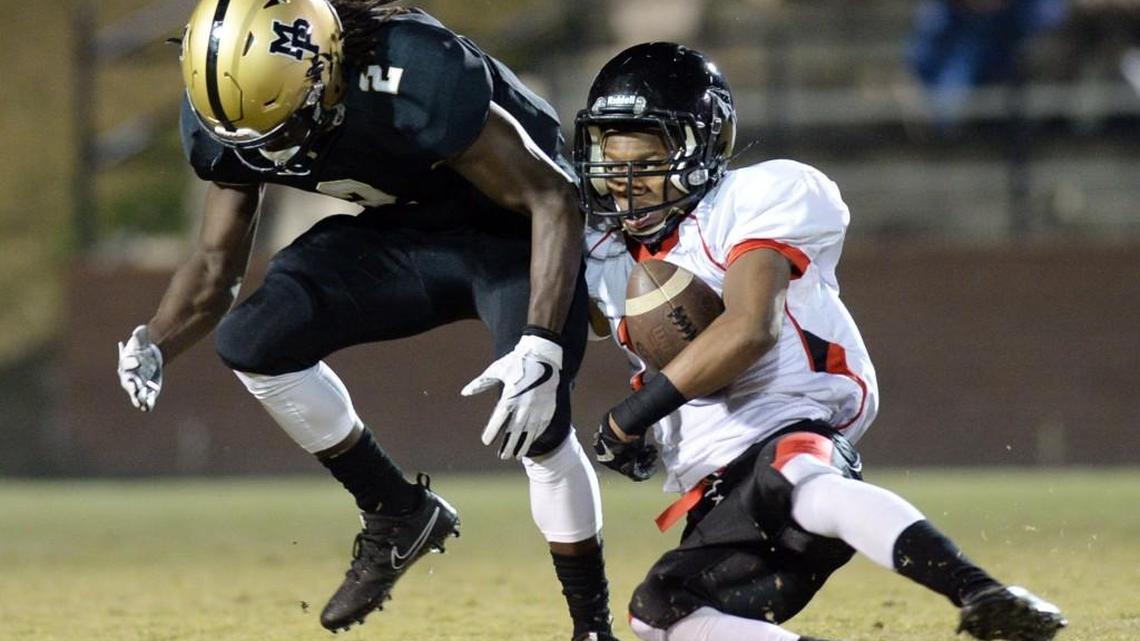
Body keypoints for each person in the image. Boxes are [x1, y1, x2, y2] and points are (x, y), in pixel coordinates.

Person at [114, 1, 619, 639]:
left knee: (539, 422)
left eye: (280, 127)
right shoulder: (239, 104)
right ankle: (397, 513)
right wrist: (157, 340)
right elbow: (217, 266)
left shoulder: (414, 71)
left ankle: (591, 627)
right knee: (253, 339)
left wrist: (543, 342)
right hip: (406, 235)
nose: (269, 153)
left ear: (326, 69)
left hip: (518, 237)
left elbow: (552, 198)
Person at [575, 42, 1067, 641]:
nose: (626, 182)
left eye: (647, 161)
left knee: (803, 481)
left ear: (702, 149)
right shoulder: (601, 254)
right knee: (658, 615)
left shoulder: (751, 200)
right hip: (718, 486)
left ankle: (981, 592)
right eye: (612, 157)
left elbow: (752, 327)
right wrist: (645, 437)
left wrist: (632, 416)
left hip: (790, 424)